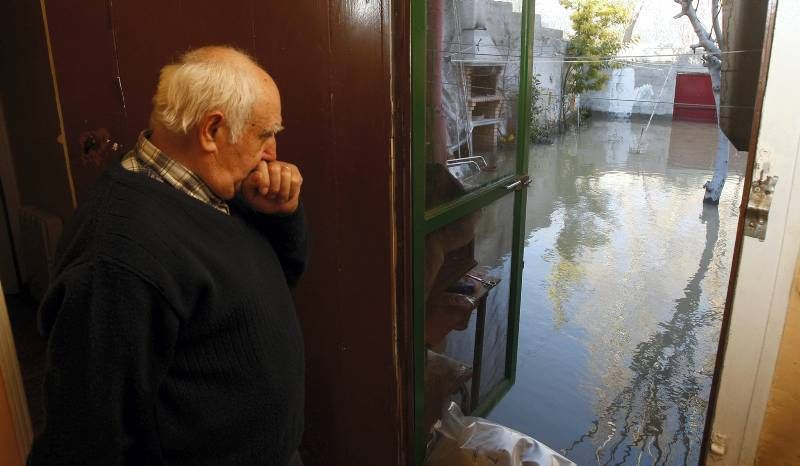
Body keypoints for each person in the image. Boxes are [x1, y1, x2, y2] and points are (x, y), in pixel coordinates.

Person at [28, 46, 308, 466]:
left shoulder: (211, 187)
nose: (271, 151)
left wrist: (282, 216)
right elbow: (82, 439)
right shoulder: (117, 253)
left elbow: (282, 276)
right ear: (211, 131)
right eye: (264, 133)